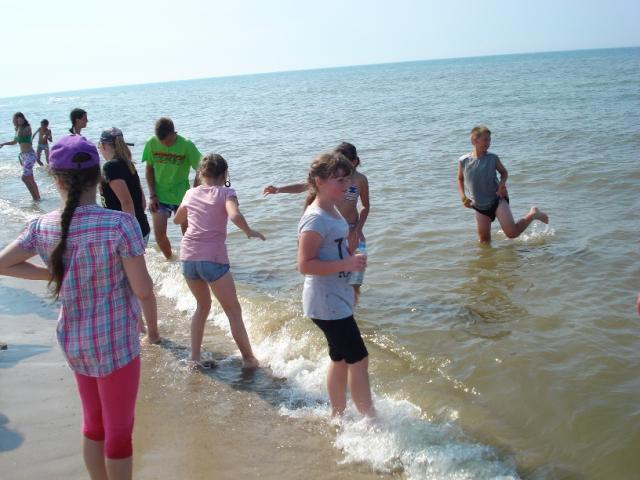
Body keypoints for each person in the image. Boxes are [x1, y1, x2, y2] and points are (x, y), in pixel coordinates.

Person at [0, 135, 159, 480]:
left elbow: (3, 264)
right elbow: (143, 290)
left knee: (93, 423)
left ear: (56, 180)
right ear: (98, 177)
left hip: (74, 341)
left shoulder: (42, 225)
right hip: (116, 343)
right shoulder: (119, 224)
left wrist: (53, 272)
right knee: (119, 431)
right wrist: (153, 330)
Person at [297, 151, 374, 417]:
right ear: (319, 182)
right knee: (359, 360)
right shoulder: (316, 218)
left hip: (335, 297)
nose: (347, 185)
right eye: (339, 180)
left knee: (339, 359)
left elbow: (331, 250)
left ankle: (337, 415)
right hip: (326, 302)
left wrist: (349, 255)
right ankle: (371, 423)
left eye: (347, 179)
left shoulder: (332, 210)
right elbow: (305, 264)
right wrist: (346, 263)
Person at [174, 154, 264, 370]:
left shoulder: (190, 193)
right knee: (233, 311)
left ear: (201, 174)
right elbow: (234, 215)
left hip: (188, 258)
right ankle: (249, 359)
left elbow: (177, 219)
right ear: (225, 174)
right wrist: (249, 231)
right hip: (213, 259)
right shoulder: (226, 193)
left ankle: (194, 357)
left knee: (202, 306)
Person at [264, 142, 370, 253]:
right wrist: (279, 189)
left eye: (343, 162)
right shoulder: (330, 179)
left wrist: (358, 229)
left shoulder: (361, 180)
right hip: (330, 230)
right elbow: (304, 186)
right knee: (328, 259)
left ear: (354, 162)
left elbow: (365, 206)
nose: (340, 166)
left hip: (352, 229)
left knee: (359, 259)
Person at [457, 125, 549, 244]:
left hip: (497, 199)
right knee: (484, 241)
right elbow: (460, 179)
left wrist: (501, 185)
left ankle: (533, 214)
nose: (488, 143)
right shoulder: (464, 160)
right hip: (479, 206)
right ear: (475, 140)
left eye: (489, 140)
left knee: (512, 233)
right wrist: (463, 197)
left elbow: (504, 173)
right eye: (485, 140)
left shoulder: (492, 158)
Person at [143, 117, 202, 259]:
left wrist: (194, 193)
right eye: (161, 142)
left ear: (173, 133)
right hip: (159, 196)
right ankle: (170, 260)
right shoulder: (151, 143)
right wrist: (152, 195)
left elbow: (201, 169)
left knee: (188, 235)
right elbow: (149, 169)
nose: (165, 145)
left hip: (182, 197)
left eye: (168, 142)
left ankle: (190, 261)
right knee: (159, 234)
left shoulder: (187, 145)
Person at [98, 127, 151, 243]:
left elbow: (127, 203)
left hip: (127, 234)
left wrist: (130, 235)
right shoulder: (128, 164)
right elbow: (142, 202)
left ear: (102, 145)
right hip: (142, 228)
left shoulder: (110, 167)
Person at [0, 112, 41, 201]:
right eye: (15, 119)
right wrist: (4, 143)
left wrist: (20, 127)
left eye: (17, 119)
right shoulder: (18, 129)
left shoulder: (27, 127)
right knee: (30, 178)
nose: (15, 121)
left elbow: (25, 134)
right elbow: (14, 142)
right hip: (24, 156)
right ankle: (38, 198)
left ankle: (35, 198)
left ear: (22, 119)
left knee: (24, 178)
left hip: (30, 155)